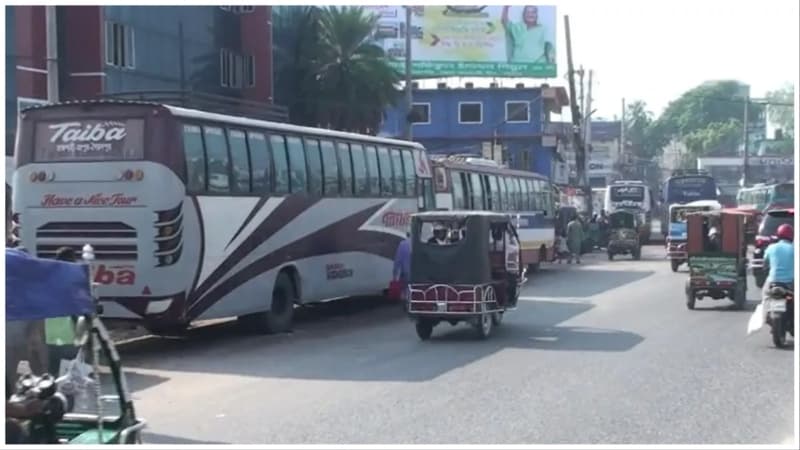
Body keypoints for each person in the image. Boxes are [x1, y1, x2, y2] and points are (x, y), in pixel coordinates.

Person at [46, 247, 79, 376]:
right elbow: (75, 306)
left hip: (51, 333)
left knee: (54, 371)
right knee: (70, 373)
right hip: (69, 333)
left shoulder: (49, 278)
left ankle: (53, 394)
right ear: (71, 260)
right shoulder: (72, 278)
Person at [763, 224, 794, 298]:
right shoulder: (793, 249)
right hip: (790, 283)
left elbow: (765, 264)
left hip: (773, 281)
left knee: (765, 294)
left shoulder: (771, 247)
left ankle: (765, 308)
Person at [392, 232, 411, 304]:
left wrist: (394, 275)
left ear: (407, 235)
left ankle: (406, 303)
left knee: (405, 289)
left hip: (405, 272)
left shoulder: (402, 244)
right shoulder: (418, 244)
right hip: (416, 273)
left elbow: (398, 260)